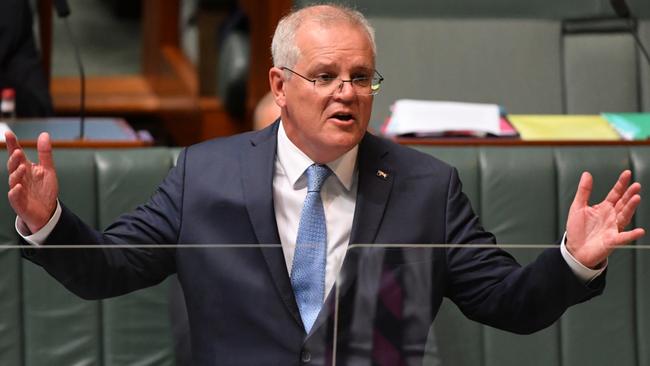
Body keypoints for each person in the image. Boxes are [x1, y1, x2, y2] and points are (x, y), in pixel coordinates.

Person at [4, 4, 644, 366]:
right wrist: (50, 221)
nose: (348, 92)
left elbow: (509, 303)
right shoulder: (205, 173)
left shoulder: (427, 186)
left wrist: (570, 262)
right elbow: (109, 268)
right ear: (280, 86)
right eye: (327, 75)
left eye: (362, 77)